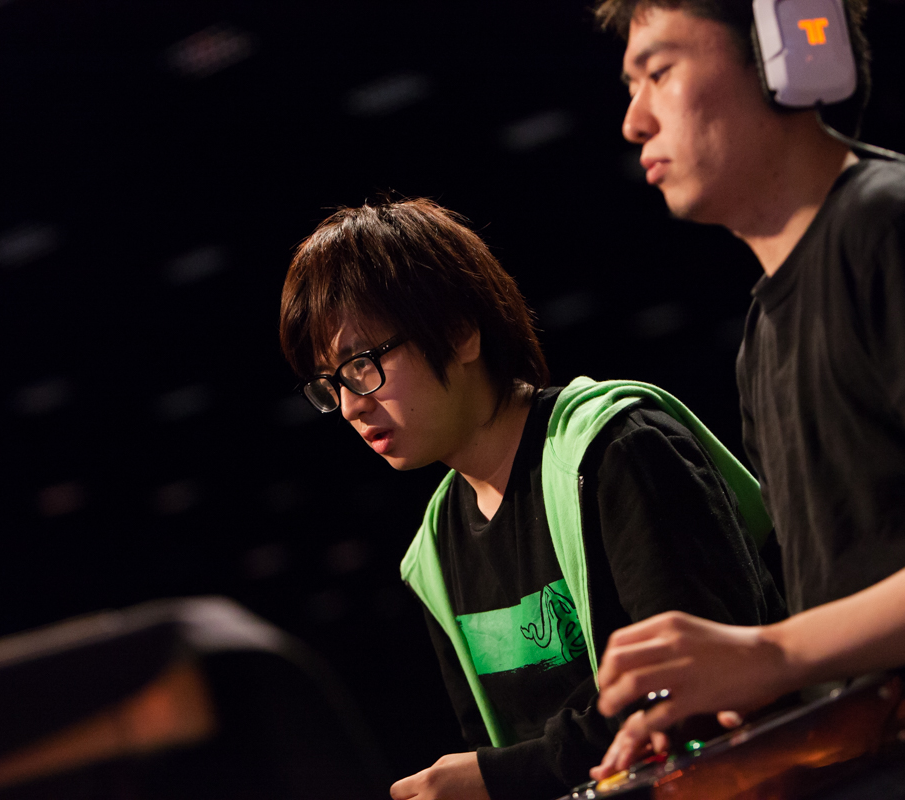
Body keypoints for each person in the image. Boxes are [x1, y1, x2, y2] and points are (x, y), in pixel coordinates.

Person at [588, 1, 905, 796]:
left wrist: (775, 655)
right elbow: (859, 632)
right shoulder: (763, 337)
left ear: (786, 56)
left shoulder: (893, 223)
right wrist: (740, 701)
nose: (634, 121)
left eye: (658, 72)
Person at [278, 198, 786, 800]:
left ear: (459, 332)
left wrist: (500, 779)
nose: (350, 404)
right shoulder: (434, 549)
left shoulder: (617, 451)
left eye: (362, 363)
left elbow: (696, 693)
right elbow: (495, 746)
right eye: (329, 383)